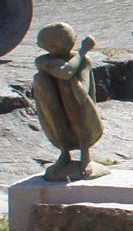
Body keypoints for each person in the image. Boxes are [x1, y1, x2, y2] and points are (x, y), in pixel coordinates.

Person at [32, 22, 103, 179]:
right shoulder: (42, 61)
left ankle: (85, 154)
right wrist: (82, 51)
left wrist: (76, 86)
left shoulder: (84, 61)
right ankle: (65, 153)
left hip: (78, 106)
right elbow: (65, 72)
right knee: (41, 80)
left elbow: (83, 86)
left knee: (71, 85)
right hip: (57, 107)